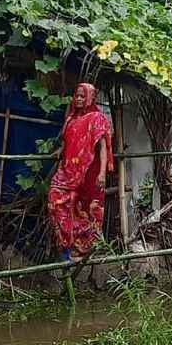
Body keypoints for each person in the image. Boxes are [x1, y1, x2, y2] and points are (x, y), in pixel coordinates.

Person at [47, 82, 113, 260]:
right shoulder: (70, 118)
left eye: (83, 96)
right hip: (68, 171)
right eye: (76, 95)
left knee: (87, 211)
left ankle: (83, 250)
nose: (78, 99)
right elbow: (67, 142)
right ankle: (66, 245)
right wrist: (60, 151)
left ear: (91, 98)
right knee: (55, 200)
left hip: (89, 173)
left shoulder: (97, 118)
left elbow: (103, 147)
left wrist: (101, 173)